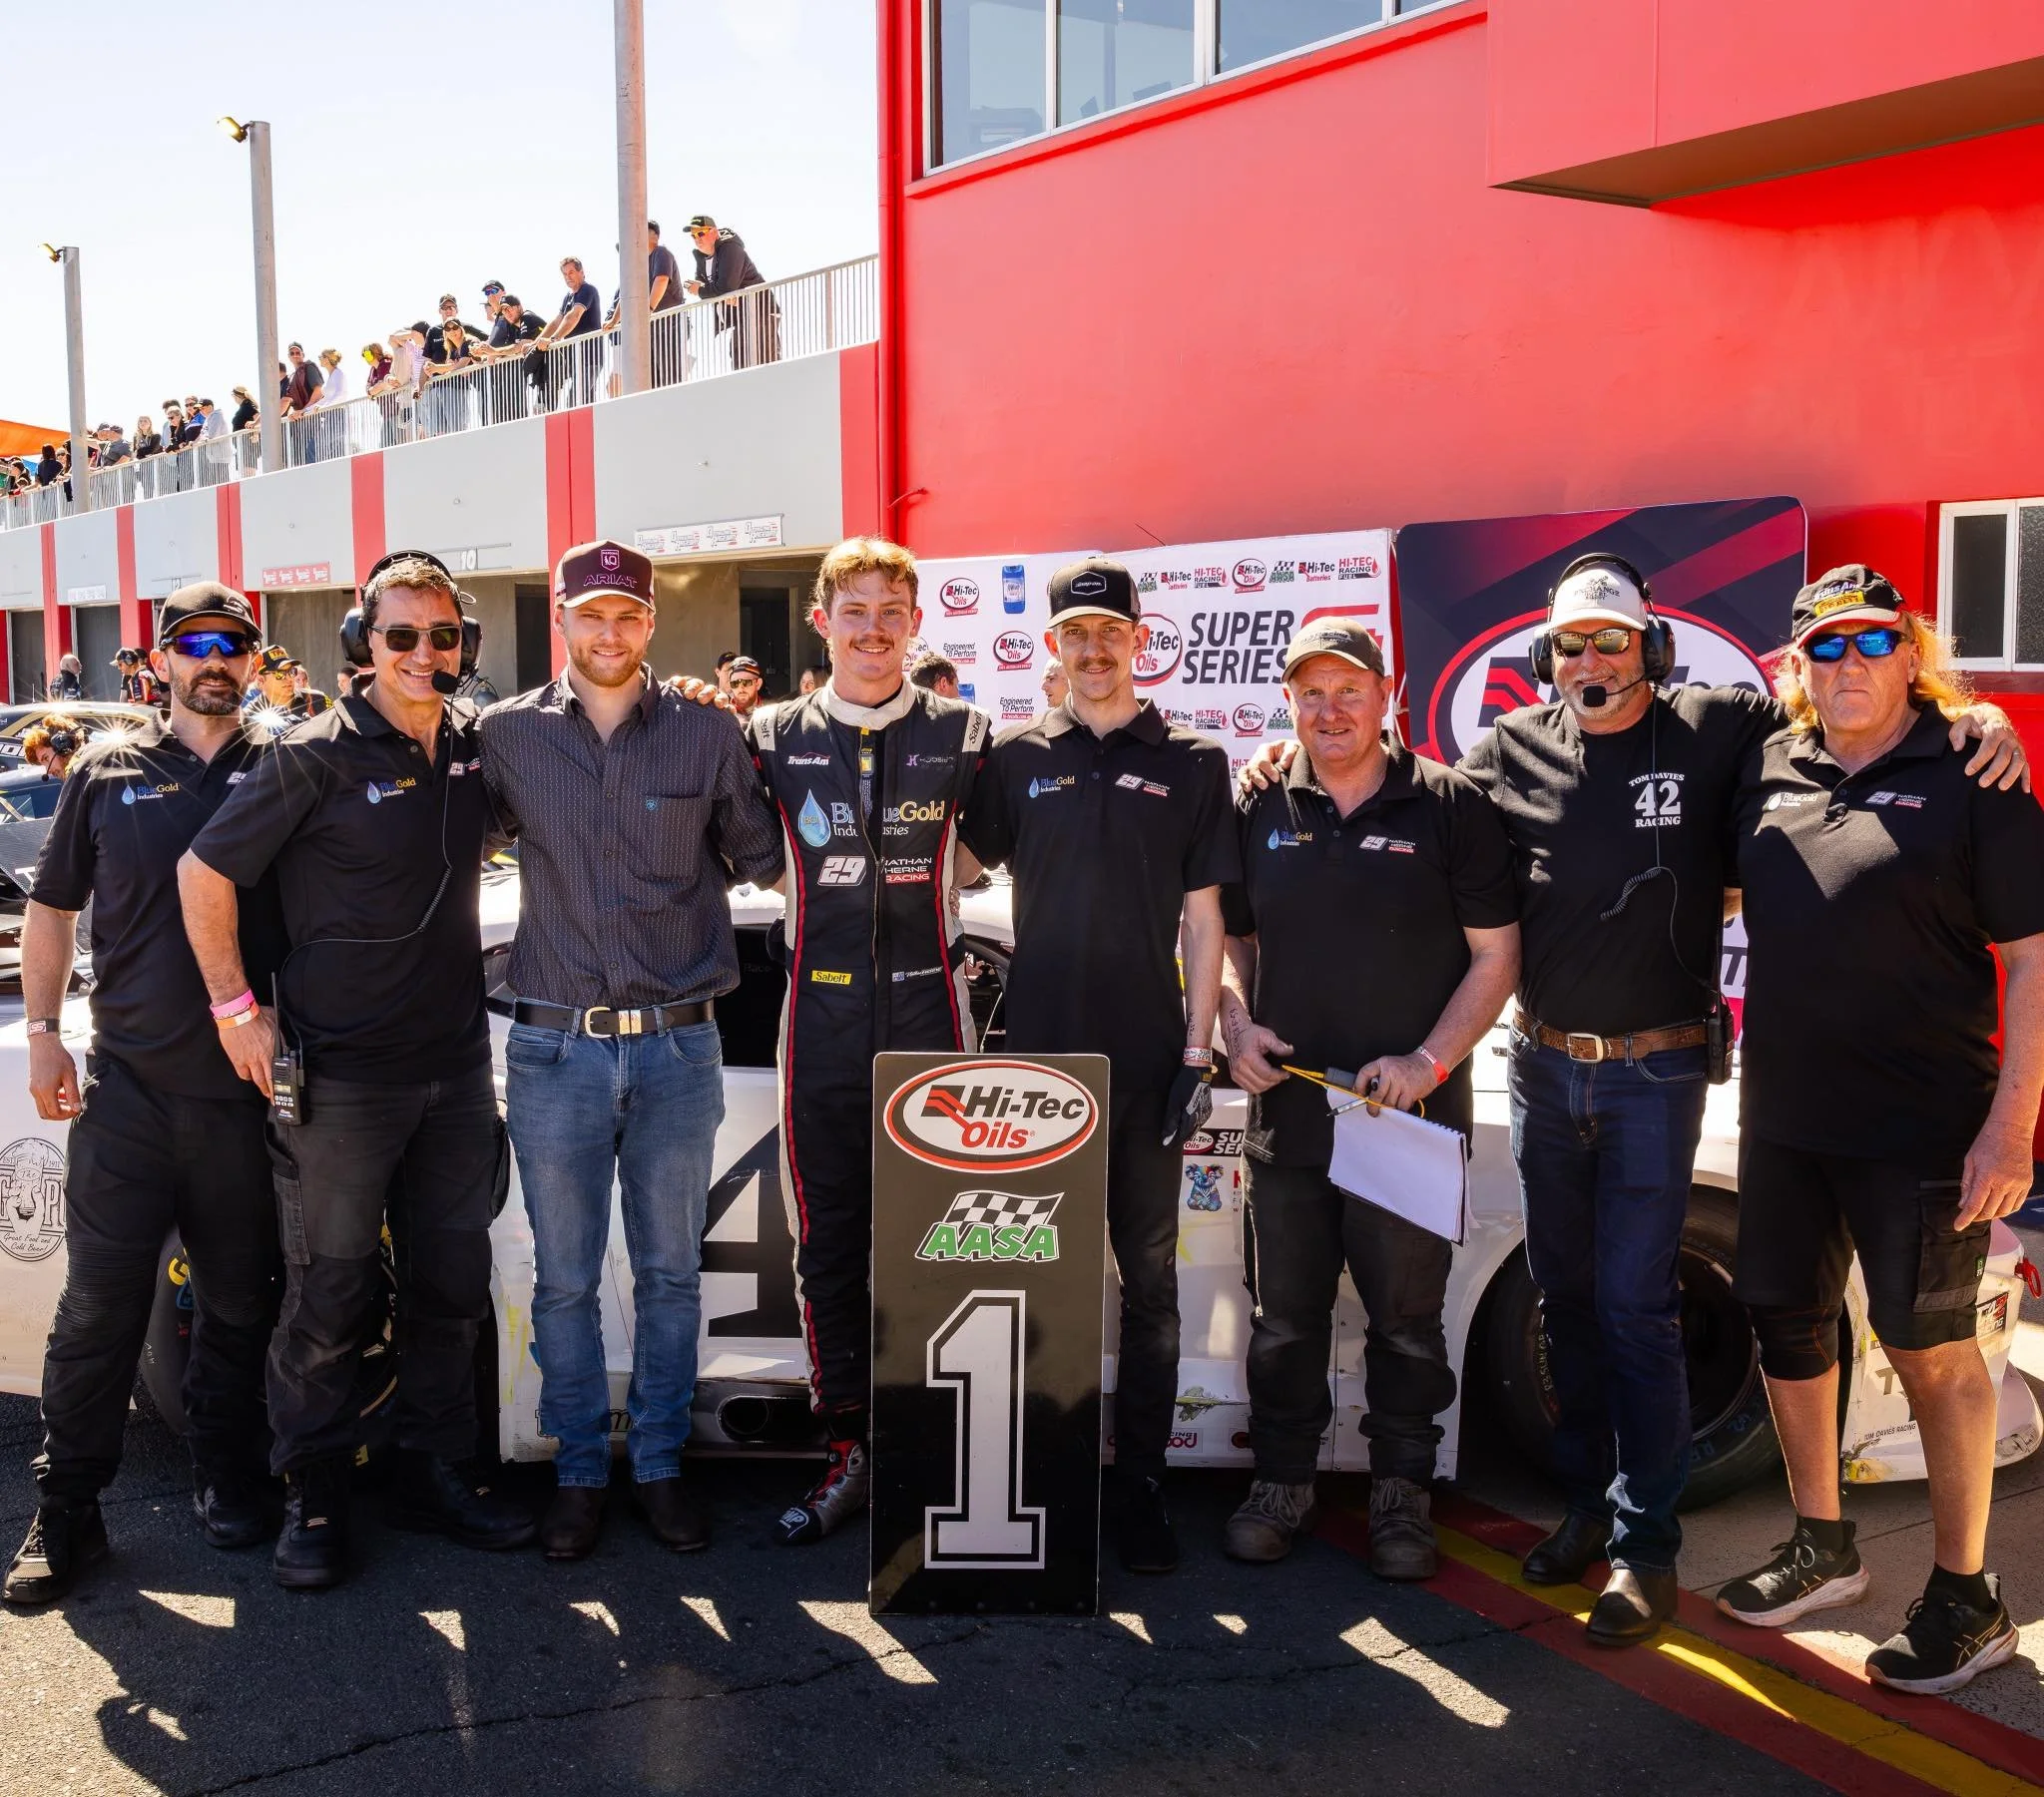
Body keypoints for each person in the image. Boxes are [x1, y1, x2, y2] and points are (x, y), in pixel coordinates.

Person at [1241, 553, 2027, 1645]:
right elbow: (1402, 798)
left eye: (1612, 640)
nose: (1592, 660)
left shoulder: (1720, 728)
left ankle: (1642, 1550)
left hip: (1657, 1074)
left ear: (1650, 647)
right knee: (1565, 1313)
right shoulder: (1501, 754)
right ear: (1544, 658)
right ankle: (1584, 1513)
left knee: (1635, 1312)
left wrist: (1975, 717)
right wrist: (1298, 747)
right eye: (1571, 643)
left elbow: (1870, 711)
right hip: (1542, 1066)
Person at [1713, 567, 2044, 1692]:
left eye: (1867, 643)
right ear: (1797, 668)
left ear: (1909, 655)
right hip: (1785, 1118)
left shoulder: (1972, 770)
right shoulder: (1767, 765)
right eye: (1822, 647)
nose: (1844, 664)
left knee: (1926, 1350)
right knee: (1784, 1324)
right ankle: (1823, 1545)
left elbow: (2031, 958)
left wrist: (2011, 1128)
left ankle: (1966, 1595)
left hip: (1924, 1125)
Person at [179, 550, 533, 1589]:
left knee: (449, 1288)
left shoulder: (477, 749)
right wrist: (235, 1009)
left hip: (456, 1073)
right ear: (360, 647)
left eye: (443, 636)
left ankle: (432, 1469)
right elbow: (202, 872)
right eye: (400, 637)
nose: (425, 654)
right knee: (329, 1295)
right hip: (339, 1082)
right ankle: (316, 1489)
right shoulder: (313, 754)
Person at [480, 541, 781, 1561]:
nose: (608, 634)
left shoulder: (705, 734)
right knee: (562, 1278)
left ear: (650, 624)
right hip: (553, 1051)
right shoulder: (503, 737)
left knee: (668, 1274)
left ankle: (656, 1462)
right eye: (589, 615)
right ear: (560, 620)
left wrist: (760, 743)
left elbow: (763, 854)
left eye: (627, 616)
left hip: (675, 1052)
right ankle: (575, 1472)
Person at [1219, 620, 1520, 1579]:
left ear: (1388, 693)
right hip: (1291, 1112)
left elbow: (1496, 956)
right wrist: (1235, 1023)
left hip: (1409, 1118)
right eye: (1310, 692)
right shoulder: (1259, 801)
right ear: (1289, 702)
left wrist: (1430, 1061)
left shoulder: (1450, 804)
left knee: (1404, 1320)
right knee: (1285, 1317)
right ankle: (1282, 1483)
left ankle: (1401, 1494)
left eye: (1348, 688)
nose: (1329, 709)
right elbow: (1227, 941)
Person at [2, 587, 285, 1606]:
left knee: (238, 1307)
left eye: (233, 645)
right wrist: (42, 1035)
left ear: (255, 659)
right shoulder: (105, 771)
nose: (214, 660)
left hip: (245, 1103)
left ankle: (228, 1475)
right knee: (96, 1314)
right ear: (159, 662)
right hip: (126, 1094)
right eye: (194, 645)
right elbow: (51, 911)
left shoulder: (284, 765)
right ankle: (68, 1507)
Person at [961, 557, 1238, 1573]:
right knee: (1041, 1283)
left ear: (1137, 637)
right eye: (1072, 632)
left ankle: (1141, 1487)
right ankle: (1049, 1474)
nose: (1090, 648)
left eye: (1107, 631)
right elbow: (949, 871)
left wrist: (1197, 1050)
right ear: (1052, 645)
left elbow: (1206, 921)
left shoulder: (1194, 761)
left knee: (1150, 1285)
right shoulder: (1011, 756)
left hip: (1146, 1064)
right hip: (1036, 1070)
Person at [747, 536, 991, 1542]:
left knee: (937, 1243)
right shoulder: (764, 734)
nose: (873, 629)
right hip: (821, 1017)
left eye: (892, 609)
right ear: (821, 621)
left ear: (915, 623)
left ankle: (936, 1448)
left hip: (934, 1009)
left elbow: (1001, 848)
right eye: (854, 608)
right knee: (830, 1245)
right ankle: (849, 1444)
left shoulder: (968, 733)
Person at [684, 216, 778, 369]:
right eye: (693, 236)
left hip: (759, 313)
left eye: (700, 233)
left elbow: (724, 288)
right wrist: (715, 294)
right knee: (740, 363)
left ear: (714, 232)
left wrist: (703, 291)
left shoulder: (730, 249)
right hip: (738, 319)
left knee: (765, 364)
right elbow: (708, 286)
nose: (696, 238)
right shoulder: (702, 258)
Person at [529, 257, 604, 408]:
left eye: (571, 272)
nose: (568, 277)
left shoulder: (587, 290)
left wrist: (554, 339)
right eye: (564, 274)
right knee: (586, 402)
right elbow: (556, 321)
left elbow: (573, 316)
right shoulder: (568, 297)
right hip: (574, 360)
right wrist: (535, 343)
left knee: (575, 402)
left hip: (590, 358)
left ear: (581, 272)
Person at [725, 655, 764, 720]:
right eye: (735, 683)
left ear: (758, 684)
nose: (741, 688)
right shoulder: (723, 715)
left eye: (746, 682)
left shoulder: (772, 713)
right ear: (730, 685)